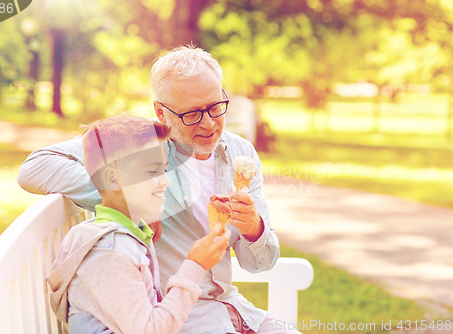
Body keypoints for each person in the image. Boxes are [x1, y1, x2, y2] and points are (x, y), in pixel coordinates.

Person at [18, 46, 299, 333]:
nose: (208, 123)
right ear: (161, 112)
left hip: (231, 308)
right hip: (178, 317)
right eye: (191, 114)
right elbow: (35, 166)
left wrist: (254, 227)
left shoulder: (241, 151)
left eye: (215, 107)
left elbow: (261, 264)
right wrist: (131, 198)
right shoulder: (141, 145)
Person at [48, 115, 231, 333]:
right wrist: (196, 265)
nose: (166, 180)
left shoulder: (130, 236)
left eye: (164, 169)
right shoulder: (109, 253)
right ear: (112, 179)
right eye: (153, 171)